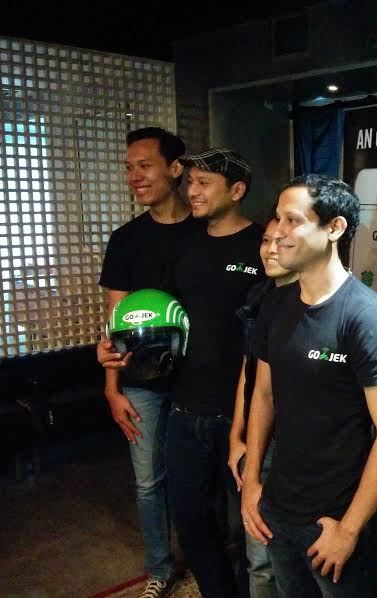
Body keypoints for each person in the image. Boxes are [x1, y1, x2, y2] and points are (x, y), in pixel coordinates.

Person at [241, 174, 377, 598]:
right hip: (279, 508)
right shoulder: (276, 303)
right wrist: (251, 482)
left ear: (334, 228)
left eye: (293, 220)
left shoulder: (365, 317)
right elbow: (263, 394)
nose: (279, 231)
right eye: (278, 218)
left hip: (335, 520)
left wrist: (350, 529)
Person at [98, 127, 201, 598]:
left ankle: (209, 557)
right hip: (141, 381)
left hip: (201, 378)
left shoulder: (206, 231)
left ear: (175, 168)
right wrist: (112, 388)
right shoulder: (125, 240)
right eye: (128, 168)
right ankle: (159, 567)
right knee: (147, 482)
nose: (134, 176)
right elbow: (115, 321)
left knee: (202, 475)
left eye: (144, 165)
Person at [166, 148, 265, 598]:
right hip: (185, 407)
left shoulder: (263, 245)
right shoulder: (186, 244)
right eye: (190, 181)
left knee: (249, 525)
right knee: (189, 516)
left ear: (237, 190)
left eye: (204, 182)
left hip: (242, 414)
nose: (192, 190)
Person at [229, 215, 298, 598]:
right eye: (266, 240)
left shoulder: (325, 302)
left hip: (299, 445)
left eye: (281, 240)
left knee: (294, 563)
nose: (271, 249)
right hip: (261, 441)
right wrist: (237, 437)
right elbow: (250, 375)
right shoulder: (259, 297)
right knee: (259, 559)